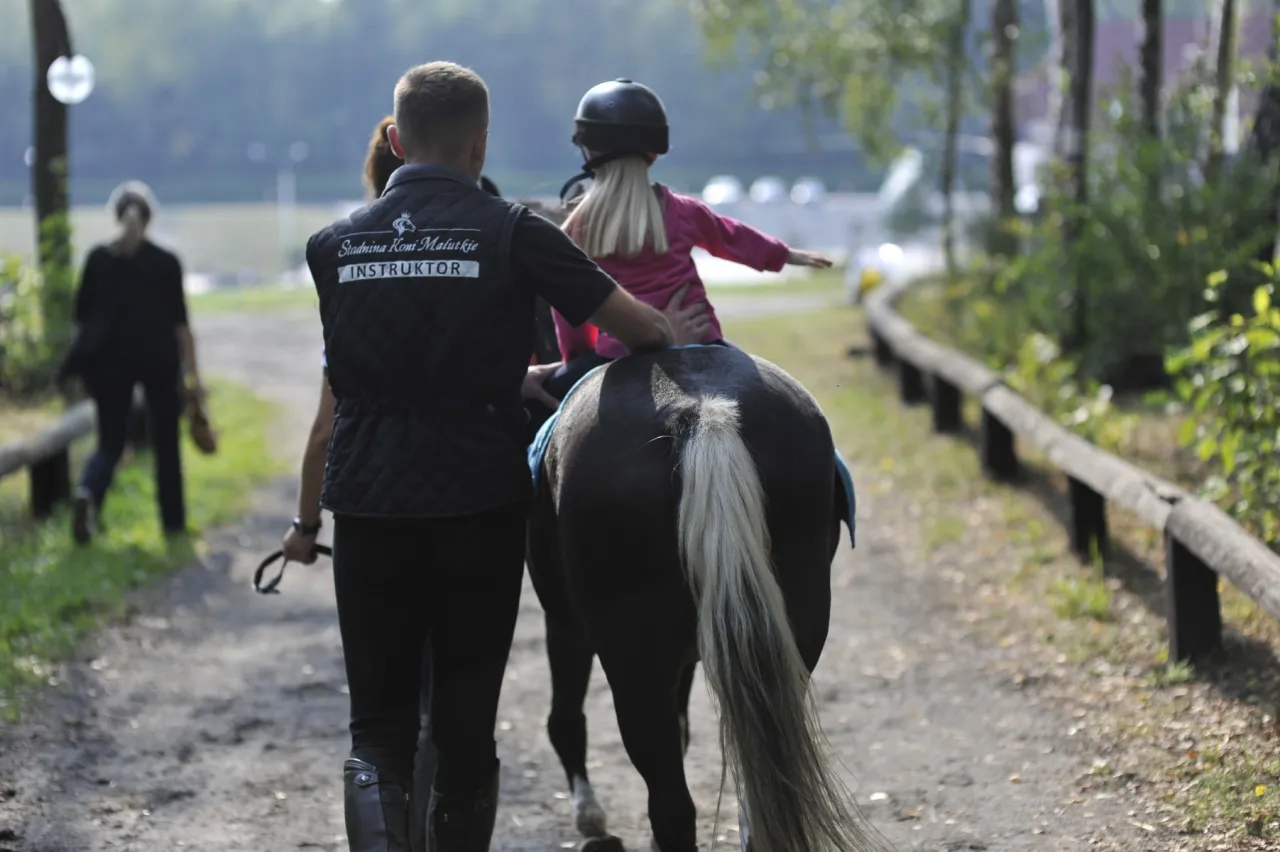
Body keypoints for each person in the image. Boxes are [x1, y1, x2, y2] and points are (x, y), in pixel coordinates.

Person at [279, 61, 676, 852]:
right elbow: (641, 330)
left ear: (397, 141)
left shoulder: (331, 247)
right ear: (480, 144)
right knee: (465, 727)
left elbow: (372, 370)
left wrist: (306, 520)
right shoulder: (514, 231)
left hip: (367, 505)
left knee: (378, 731)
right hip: (478, 507)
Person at [524, 78, 833, 433]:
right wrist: (785, 255)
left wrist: (577, 364)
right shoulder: (684, 212)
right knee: (791, 412)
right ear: (655, 152)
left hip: (613, 356)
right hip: (701, 341)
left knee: (536, 431)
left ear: (588, 152)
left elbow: (571, 316)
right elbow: (733, 237)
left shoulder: (575, 231)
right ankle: (834, 466)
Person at [61, 181, 204, 544]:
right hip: (160, 363)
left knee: (109, 442)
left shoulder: (97, 259)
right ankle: (173, 525)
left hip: (108, 365)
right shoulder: (166, 262)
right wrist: (194, 377)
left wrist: (81, 370)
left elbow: (81, 320)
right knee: (167, 446)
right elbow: (182, 327)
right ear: (149, 217)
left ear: (117, 216)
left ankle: (89, 493)